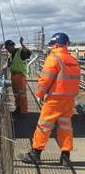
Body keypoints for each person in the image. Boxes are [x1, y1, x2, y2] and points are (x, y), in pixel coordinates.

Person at [21, 33, 80, 166]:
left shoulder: (53, 58)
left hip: (54, 100)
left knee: (44, 126)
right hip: (69, 100)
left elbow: (45, 79)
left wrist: (39, 93)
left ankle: (35, 154)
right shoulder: (73, 60)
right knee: (65, 127)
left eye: (52, 44)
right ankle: (65, 156)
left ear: (56, 44)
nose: (51, 47)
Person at [5, 37, 31, 117]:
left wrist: (22, 43)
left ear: (12, 46)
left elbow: (27, 53)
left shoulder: (20, 52)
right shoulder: (10, 55)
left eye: (8, 47)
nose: (7, 49)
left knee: (22, 95)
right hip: (13, 75)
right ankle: (18, 108)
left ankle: (24, 111)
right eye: (6, 48)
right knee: (16, 94)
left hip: (20, 76)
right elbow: (9, 64)